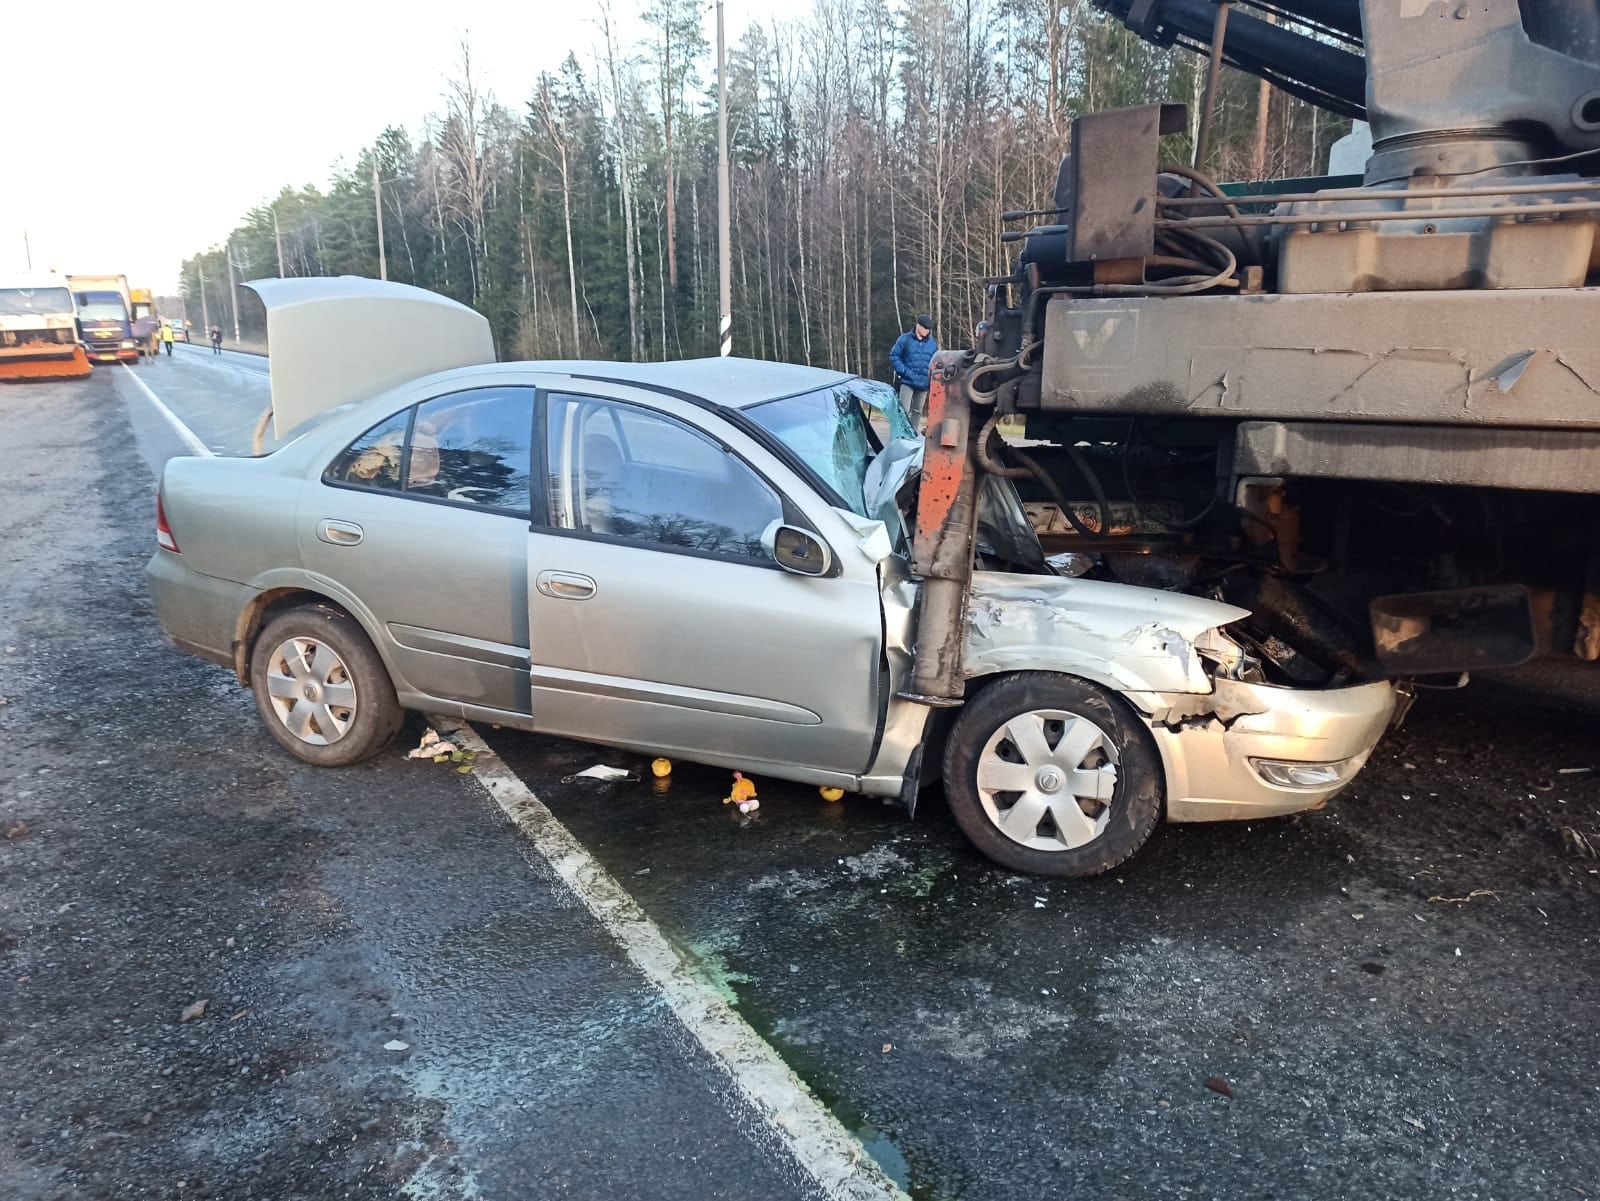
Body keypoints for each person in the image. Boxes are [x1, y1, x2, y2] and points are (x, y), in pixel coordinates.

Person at [889, 313, 938, 426]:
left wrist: (931, 378)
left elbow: (935, 361)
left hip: (923, 383)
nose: (927, 331)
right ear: (918, 326)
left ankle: (913, 436)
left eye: (929, 329)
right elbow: (894, 356)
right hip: (907, 381)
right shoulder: (905, 339)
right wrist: (904, 371)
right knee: (903, 410)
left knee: (917, 412)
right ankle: (900, 435)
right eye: (925, 328)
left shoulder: (932, 343)